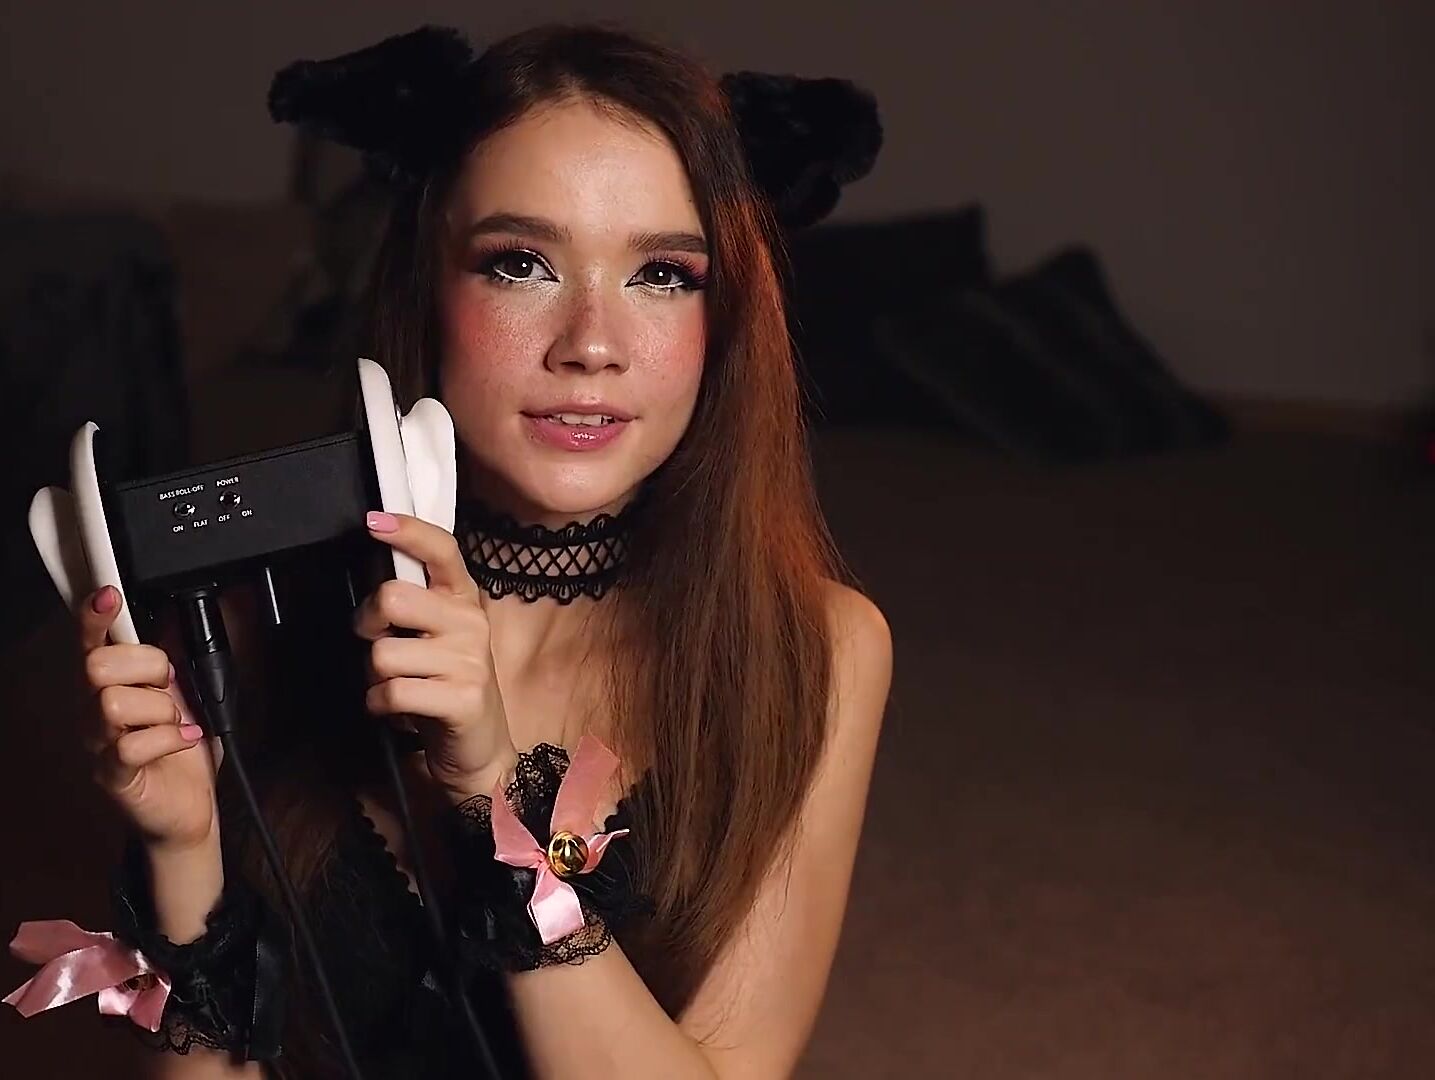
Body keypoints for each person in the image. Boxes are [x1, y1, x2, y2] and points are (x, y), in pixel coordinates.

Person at [29, 23, 892, 1079]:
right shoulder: (251, 618)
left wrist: (492, 799)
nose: (591, 343)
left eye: (663, 274)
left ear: (727, 319)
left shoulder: (817, 650)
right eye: (520, 264)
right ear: (426, 284)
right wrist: (181, 849)